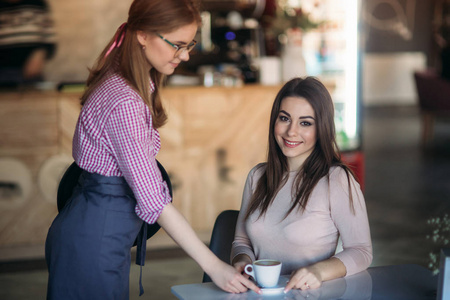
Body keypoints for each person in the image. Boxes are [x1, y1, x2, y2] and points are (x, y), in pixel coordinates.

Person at [45, 0, 260, 298]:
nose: (184, 55)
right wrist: (214, 266)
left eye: (190, 44)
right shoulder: (125, 102)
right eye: (177, 44)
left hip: (97, 234)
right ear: (143, 35)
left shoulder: (132, 81)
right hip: (93, 241)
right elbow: (153, 200)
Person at [231, 77, 372, 293]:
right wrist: (242, 260)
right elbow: (242, 241)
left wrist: (318, 271)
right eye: (284, 118)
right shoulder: (257, 176)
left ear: (321, 128)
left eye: (305, 123)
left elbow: (361, 251)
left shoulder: (337, 179)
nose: (291, 132)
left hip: (310, 296)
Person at [0, 0, 56, 87]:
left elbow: (49, 39)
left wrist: (40, 54)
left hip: (32, 72)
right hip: (3, 72)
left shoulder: (37, 4)